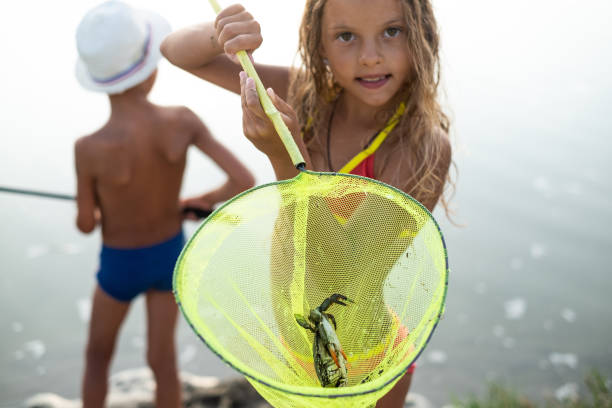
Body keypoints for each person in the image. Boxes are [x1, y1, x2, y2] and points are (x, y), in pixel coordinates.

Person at [161, 0, 452, 406]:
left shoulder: (420, 148)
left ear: (424, 36)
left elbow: (343, 273)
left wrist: (286, 157)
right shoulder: (307, 96)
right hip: (295, 344)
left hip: (367, 360)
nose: (370, 57)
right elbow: (176, 53)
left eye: (392, 31)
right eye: (346, 36)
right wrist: (221, 34)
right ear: (319, 45)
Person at [74, 1, 255, 407]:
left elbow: (86, 224)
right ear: (150, 68)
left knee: (97, 357)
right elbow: (243, 180)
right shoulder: (182, 121)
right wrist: (198, 200)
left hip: (120, 264)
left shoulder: (88, 149)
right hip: (169, 258)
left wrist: (98, 210)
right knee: (162, 359)